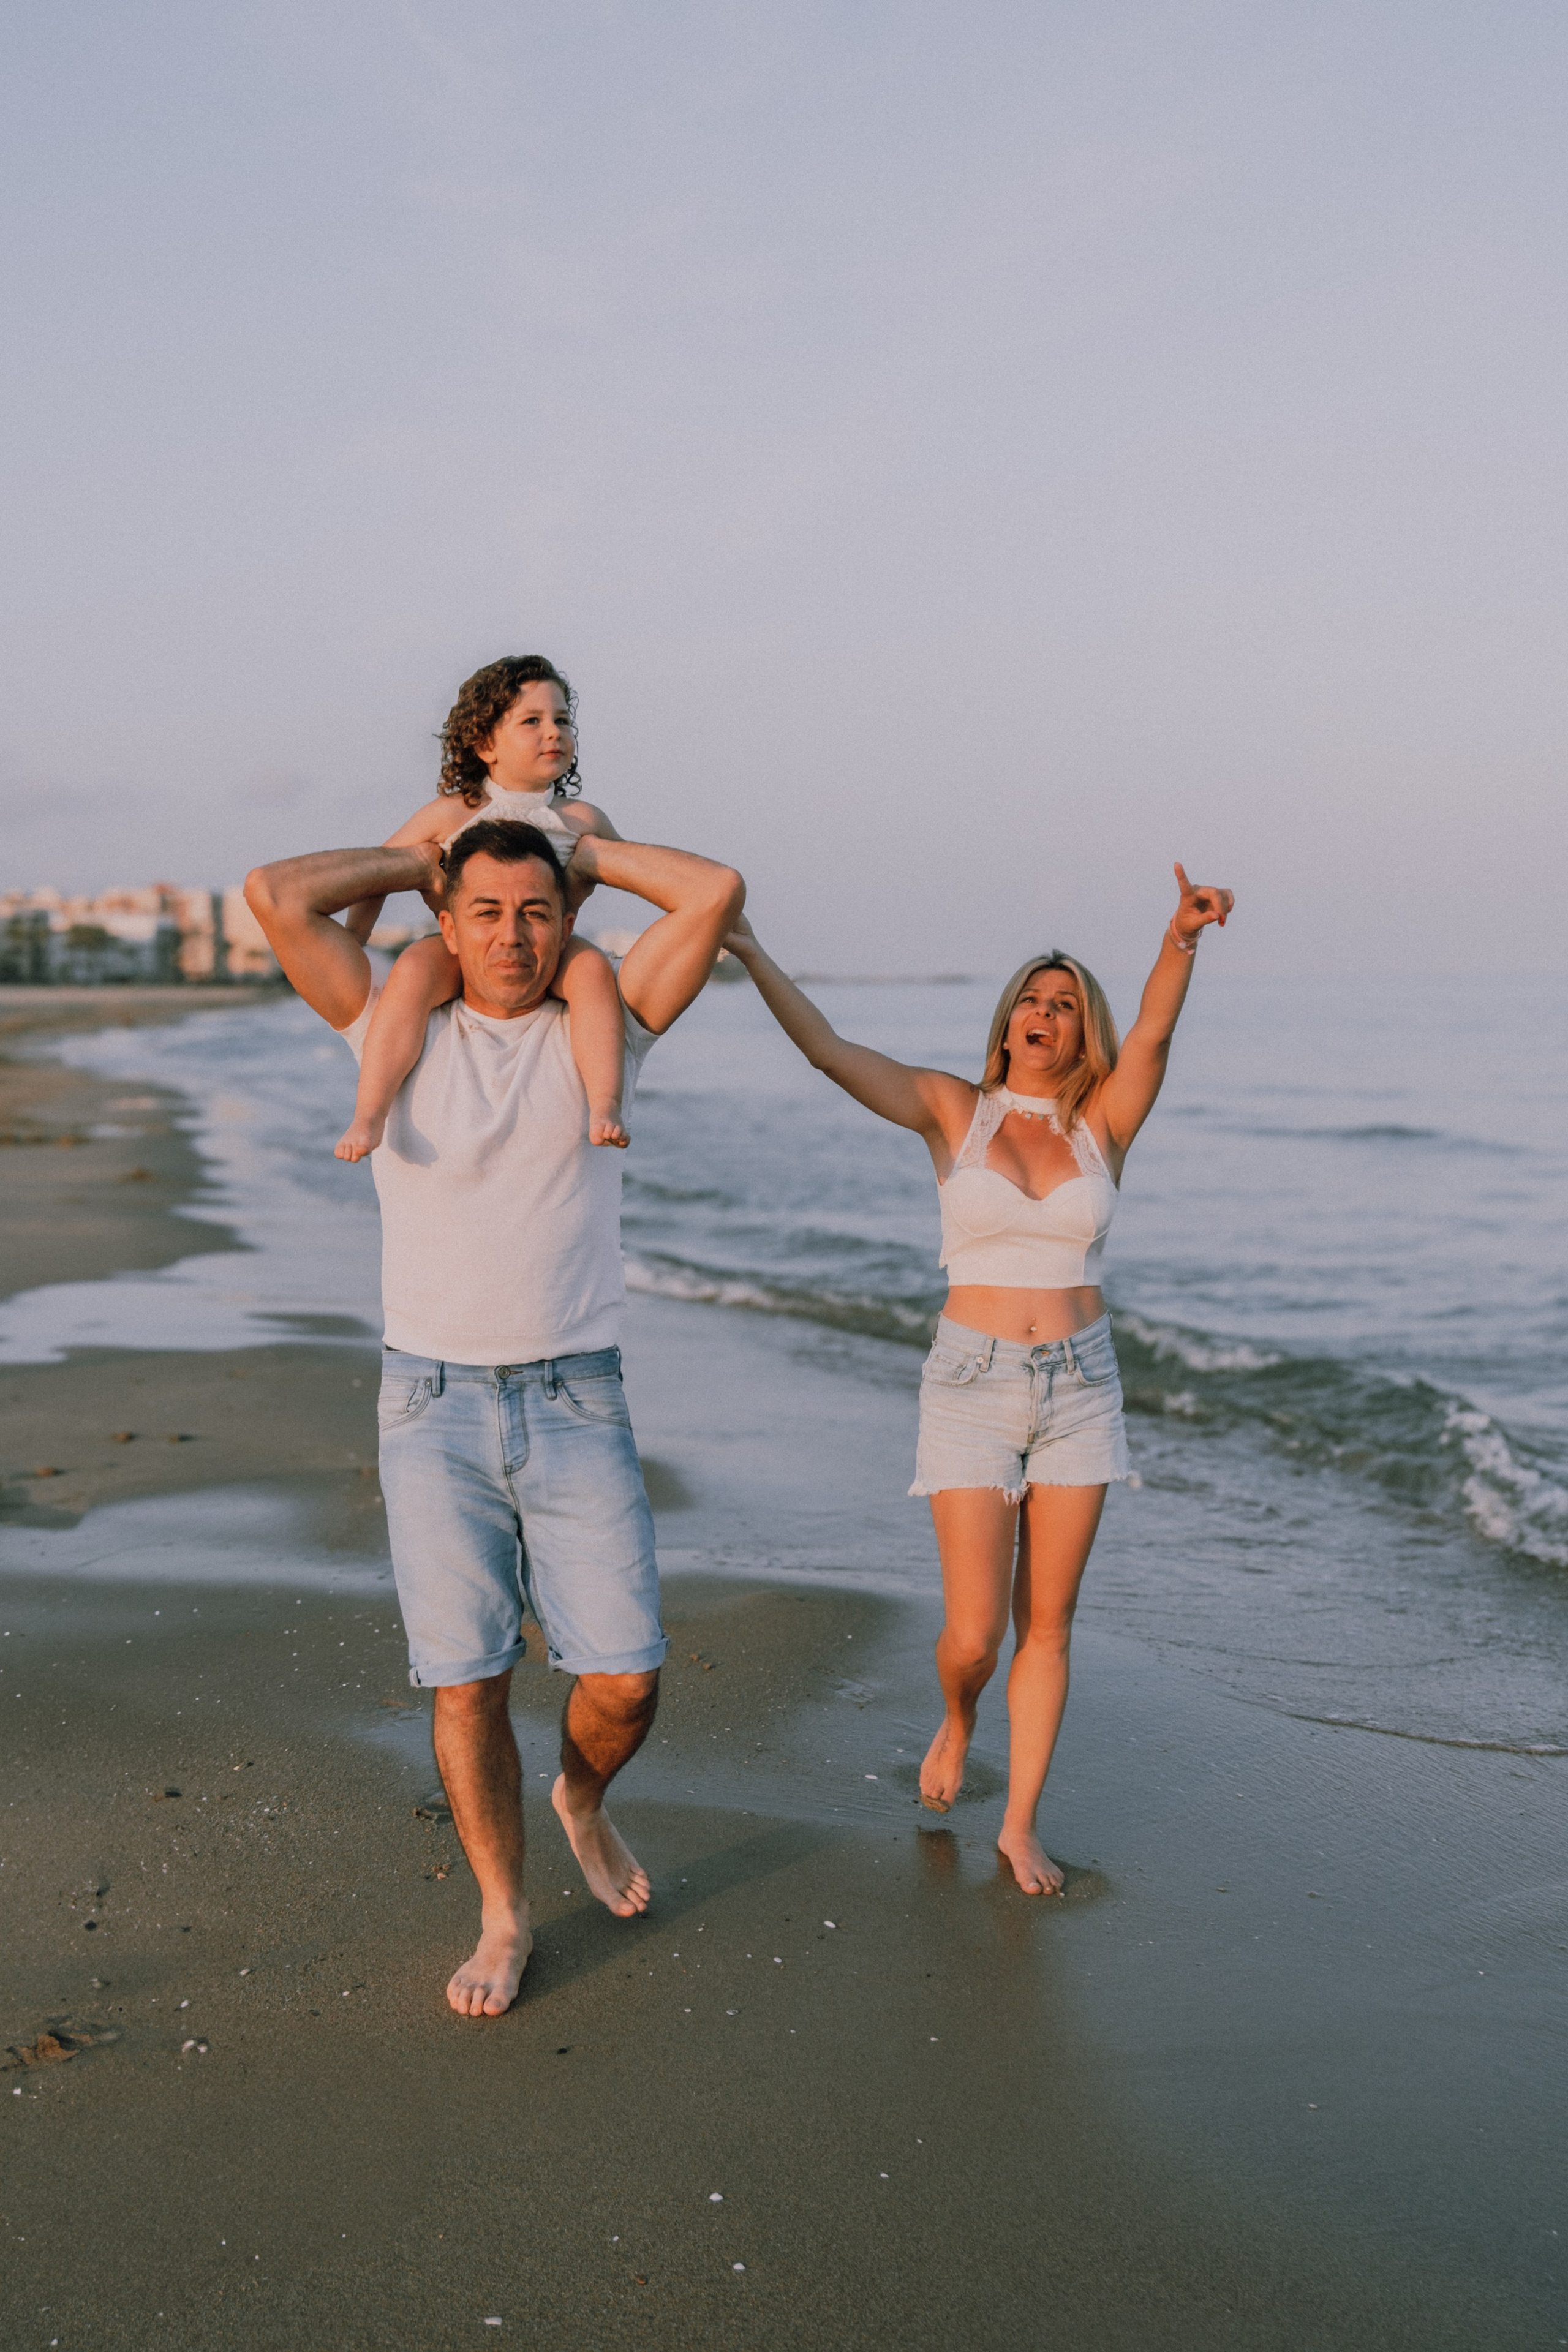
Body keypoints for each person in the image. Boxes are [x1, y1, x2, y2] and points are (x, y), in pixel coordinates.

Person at [244, 812, 744, 2013]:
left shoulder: (604, 1023)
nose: (511, 935)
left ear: (564, 917)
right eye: (483, 911)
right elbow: (273, 893)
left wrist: (583, 853)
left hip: (577, 1391)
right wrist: (420, 857)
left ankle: (579, 1800)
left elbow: (713, 891)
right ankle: (503, 1915)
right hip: (431, 1401)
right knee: (466, 1681)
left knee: (623, 1675)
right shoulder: (390, 1021)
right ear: (446, 922)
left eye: (535, 912)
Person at [723, 864, 1234, 1896]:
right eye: (1032, 1001)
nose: (1046, 1013)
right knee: (975, 1635)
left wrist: (1180, 940)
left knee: (1050, 1622)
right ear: (1006, 1026)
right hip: (971, 1383)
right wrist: (745, 949)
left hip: (1083, 1385)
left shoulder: (1104, 1127)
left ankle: (1020, 1823)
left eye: (1066, 1005)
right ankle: (958, 1717)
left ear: (1082, 1033)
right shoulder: (954, 1111)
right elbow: (830, 1051)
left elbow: (1156, 1039)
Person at [334, 655, 630, 1161]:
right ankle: (370, 1113)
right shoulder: (452, 813)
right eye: (531, 721)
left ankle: (604, 1105)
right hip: (460, 957)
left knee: (592, 972)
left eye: (562, 720)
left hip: (548, 950)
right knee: (412, 968)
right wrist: (354, 945)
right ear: (485, 744)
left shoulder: (582, 818)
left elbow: (639, 870)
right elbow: (377, 875)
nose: (552, 733)